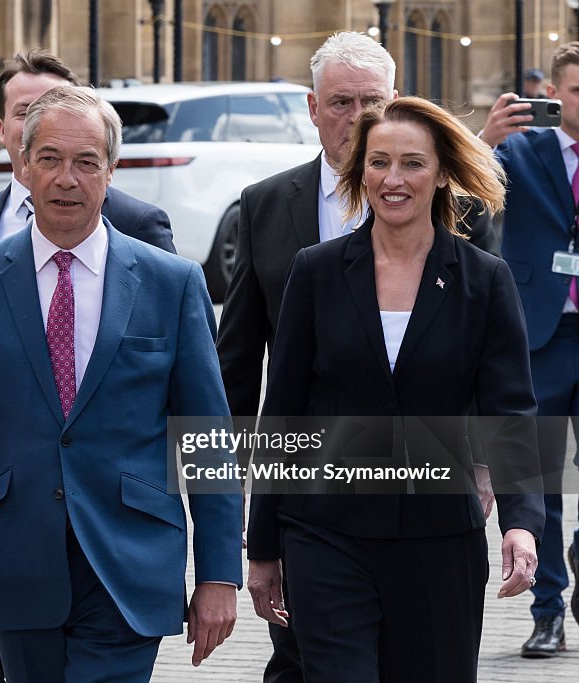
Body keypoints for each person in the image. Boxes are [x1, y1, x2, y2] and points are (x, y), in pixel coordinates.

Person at [0, 85, 242, 683]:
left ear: (111, 170)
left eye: (86, 162)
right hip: (15, 560)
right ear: (23, 165)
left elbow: (207, 440)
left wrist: (218, 574)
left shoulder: (171, 284)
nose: (66, 179)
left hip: (130, 562)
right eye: (50, 159)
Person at [217, 31, 496, 683]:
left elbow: (487, 356)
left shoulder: (460, 213)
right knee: (307, 660)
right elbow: (239, 376)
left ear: (396, 102)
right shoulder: (266, 205)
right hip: (315, 503)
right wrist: (232, 514)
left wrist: (487, 469)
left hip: (427, 501)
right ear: (312, 107)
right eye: (341, 101)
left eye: (372, 101)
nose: (357, 117)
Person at [246, 96, 544, 682]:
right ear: (360, 172)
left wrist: (521, 522)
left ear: (441, 176)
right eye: (378, 162)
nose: (393, 178)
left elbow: (509, 411)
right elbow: (282, 412)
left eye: (412, 163)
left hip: (439, 540)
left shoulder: (484, 281)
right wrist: (262, 548)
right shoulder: (317, 271)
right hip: (325, 532)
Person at [479, 42, 579, 657]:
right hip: (541, 334)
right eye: (575, 90)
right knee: (538, 481)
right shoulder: (521, 149)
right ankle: (548, 612)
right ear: (556, 93)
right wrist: (484, 137)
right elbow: (463, 190)